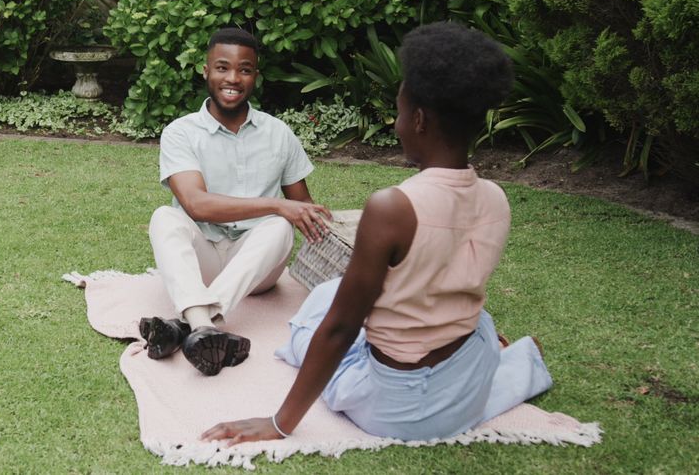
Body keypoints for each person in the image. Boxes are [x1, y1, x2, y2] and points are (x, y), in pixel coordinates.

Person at [202, 22, 553, 442]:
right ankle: (516, 361)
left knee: (314, 318)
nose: (397, 122)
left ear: (419, 119)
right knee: (420, 301)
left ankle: (495, 357)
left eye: (400, 110)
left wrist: (280, 424)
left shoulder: (393, 207)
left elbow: (340, 328)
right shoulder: (496, 197)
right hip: (467, 383)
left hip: (401, 408)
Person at [140, 27, 333, 376]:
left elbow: (302, 209)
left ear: (255, 76)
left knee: (279, 227)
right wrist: (276, 204)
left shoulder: (279, 133)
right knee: (164, 218)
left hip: (256, 269)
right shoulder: (180, 132)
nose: (233, 78)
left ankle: (186, 324)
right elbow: (196, 205)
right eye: (222, 67)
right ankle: (203, 326)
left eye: (244, 70)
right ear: (206, 71)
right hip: (205, 259)